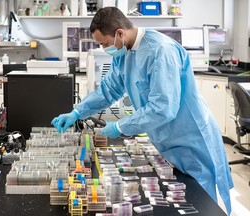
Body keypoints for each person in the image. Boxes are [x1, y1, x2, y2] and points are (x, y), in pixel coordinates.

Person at [51, 7, 233, 215]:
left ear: (119, 33)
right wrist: (77, 112)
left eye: (104, 44)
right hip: (167, 140)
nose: (104, 49)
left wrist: (120, 126)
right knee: (181, 198)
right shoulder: (124, 52)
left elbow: (163, 108)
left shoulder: (161, 51)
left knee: (202, 202)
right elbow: (108, 90)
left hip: (191, 138)